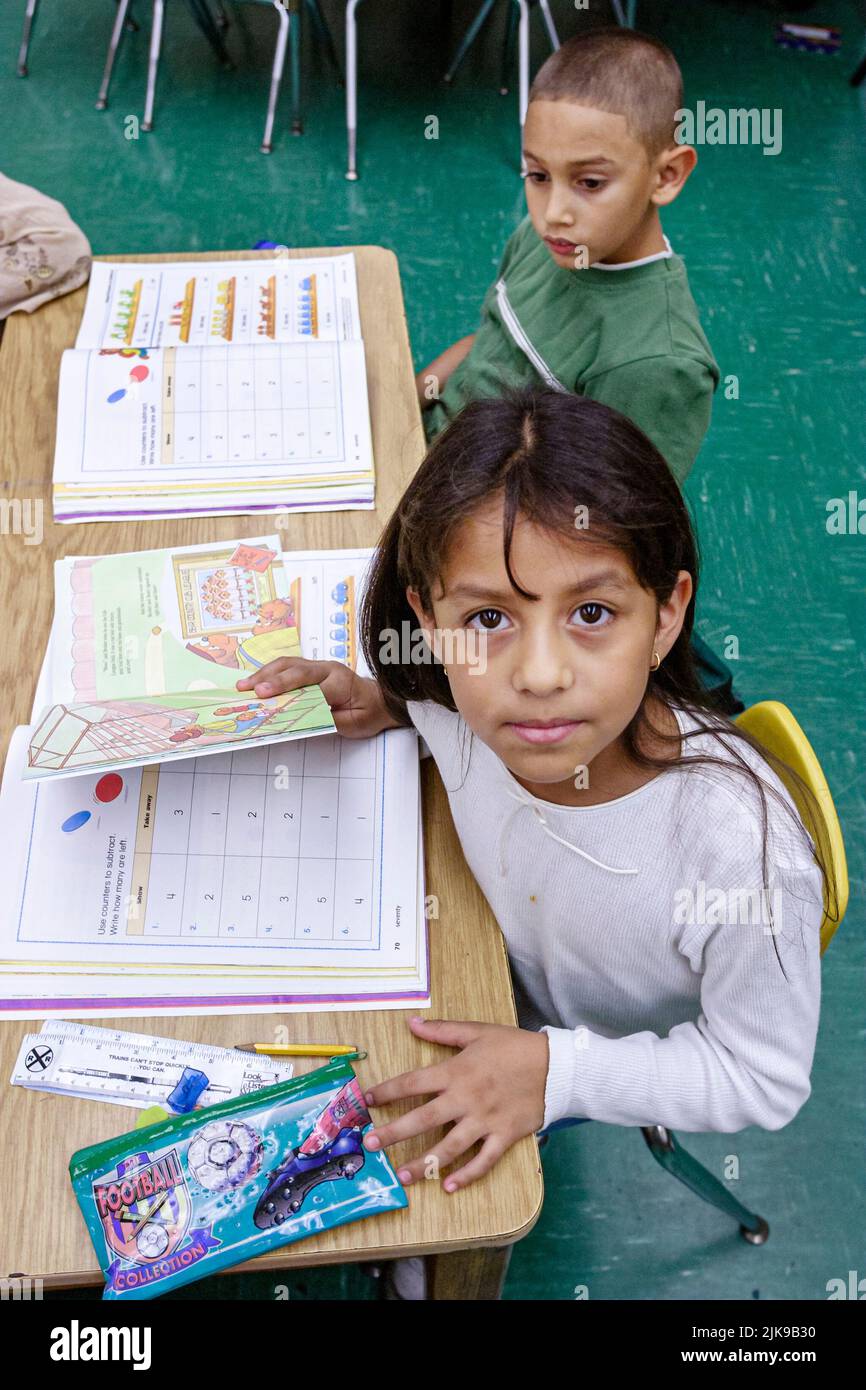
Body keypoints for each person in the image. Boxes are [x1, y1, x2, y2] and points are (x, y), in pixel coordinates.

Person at [237, 390, 831, 1294]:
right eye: (488, 620)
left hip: (574, 1047)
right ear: (426, 621)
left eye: (592, 614)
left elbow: (764, 1076)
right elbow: (436, 709)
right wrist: (379, 698)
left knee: (426, 1203)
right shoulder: (456, 703)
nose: (540, 677)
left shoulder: (739, 854)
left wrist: (558, 1071)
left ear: (668, 613)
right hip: (480, 969)